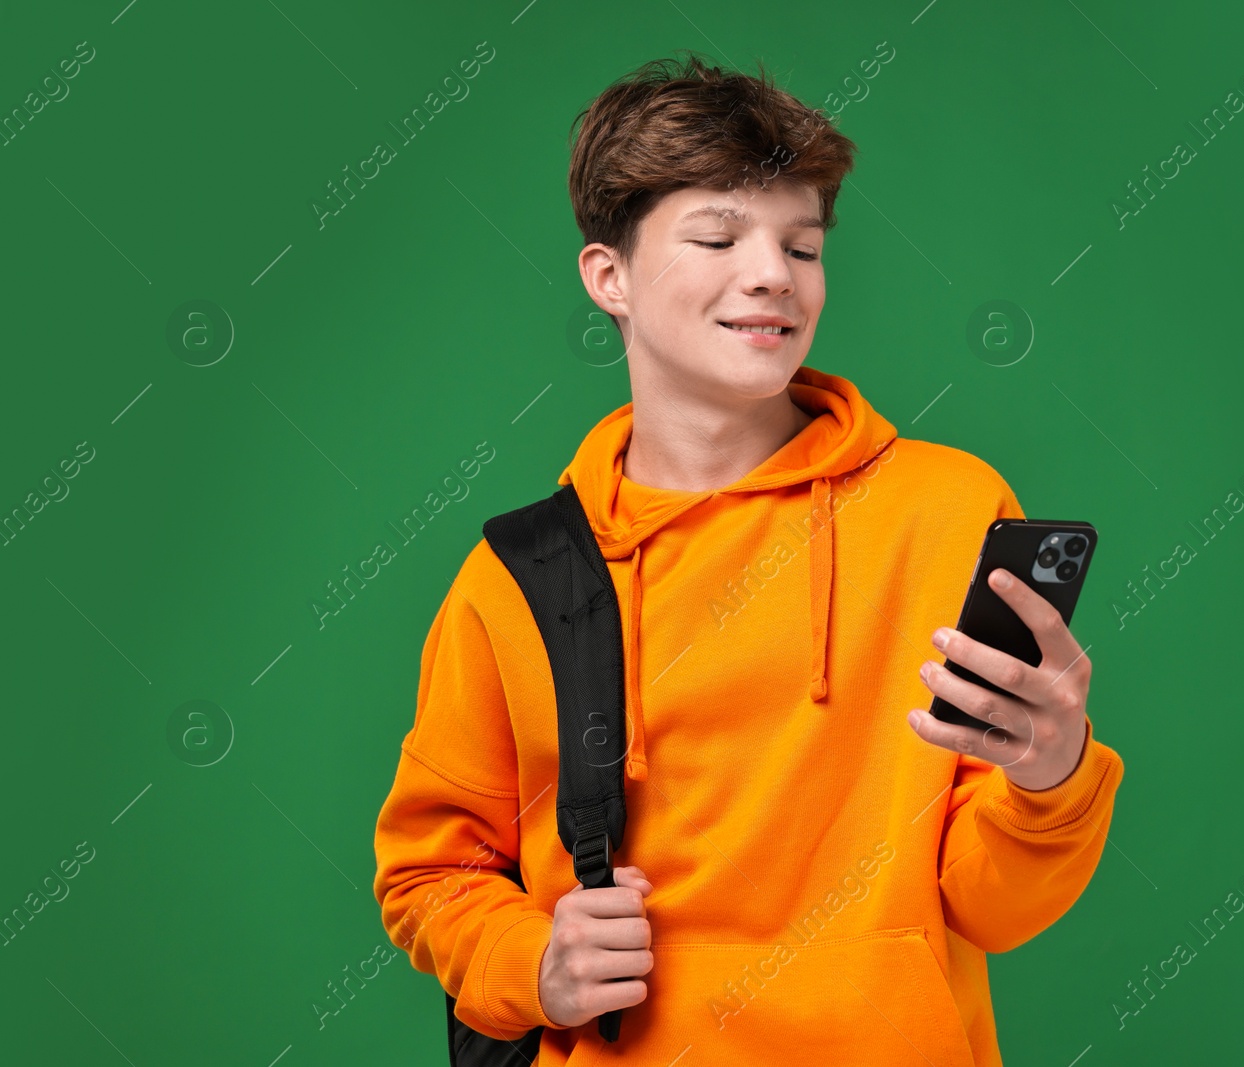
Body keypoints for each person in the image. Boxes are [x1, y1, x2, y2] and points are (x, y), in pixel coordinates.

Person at [372, 51, 1124, 1066]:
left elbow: (991, 906)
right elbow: (429, 875)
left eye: (801, 246)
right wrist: (533, 960)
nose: (771, 272)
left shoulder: (949, 510)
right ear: (610, 278)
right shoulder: (525, 573)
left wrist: (1050, 772)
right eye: (717, 235)